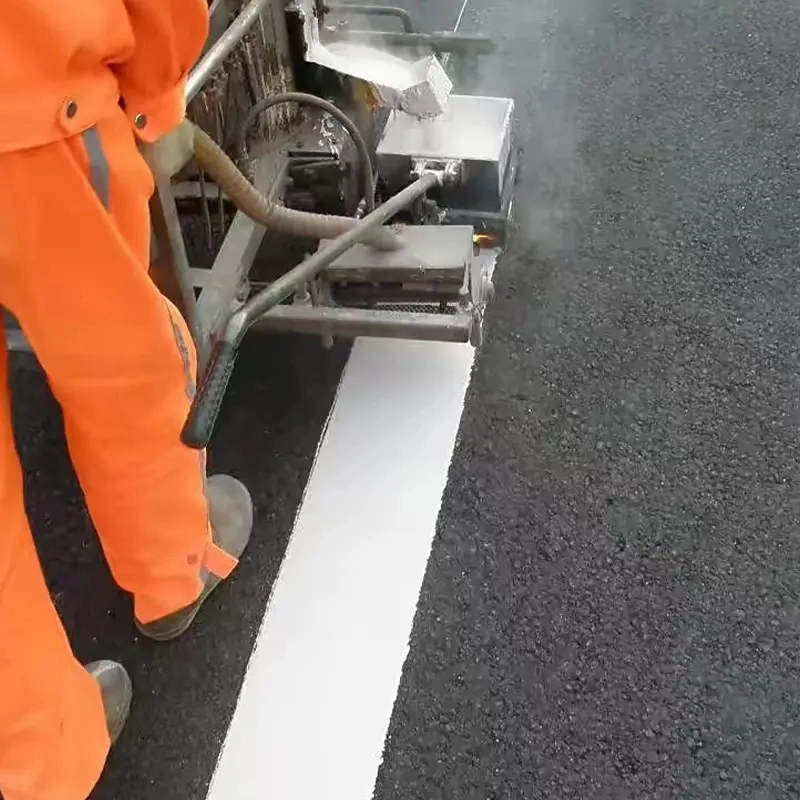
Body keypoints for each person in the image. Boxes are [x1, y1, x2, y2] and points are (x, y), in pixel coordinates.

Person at [0, 1, 253, 798]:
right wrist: (156, 98)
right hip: (34, 116)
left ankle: (40, 756)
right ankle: (173, 570)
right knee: (125, 372)